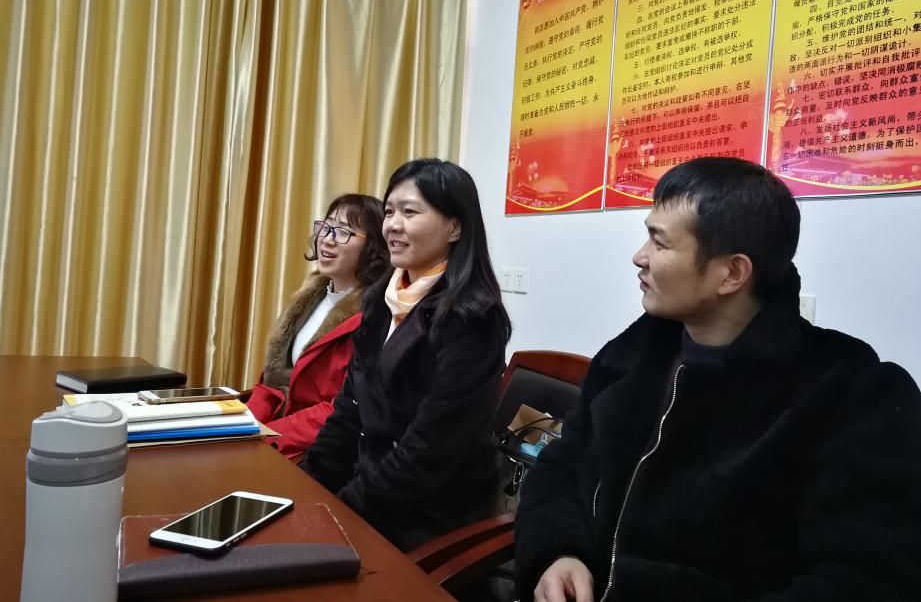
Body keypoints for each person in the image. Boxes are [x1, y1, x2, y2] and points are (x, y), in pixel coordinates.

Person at [515, 157, 921, 602]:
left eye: (659, 242)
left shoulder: (850, 394)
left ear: (732, 273)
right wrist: (558, 552)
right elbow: (561, 465)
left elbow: (868, 577)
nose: (639, 257)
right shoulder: (629, 358)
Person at [301, 158, 512, 551]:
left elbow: (427, 454)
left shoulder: (474, 320)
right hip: (369, 489)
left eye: (410, 212)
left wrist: (340, 513)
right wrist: (307, 487)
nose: (393, 225)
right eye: (389, 211)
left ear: (454, 228)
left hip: (427, 517)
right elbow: (348, 412)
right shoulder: (381, 302)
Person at [247, 193, 388, 459]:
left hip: (321, 450)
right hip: (276, 434)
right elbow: (272, 384)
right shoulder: (309, 297)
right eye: (326, 226)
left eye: (344, 232)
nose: (327, 239)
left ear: (373, 247)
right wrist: (244, 427)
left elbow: (341, 408)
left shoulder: (374, 316)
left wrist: (268, 437)